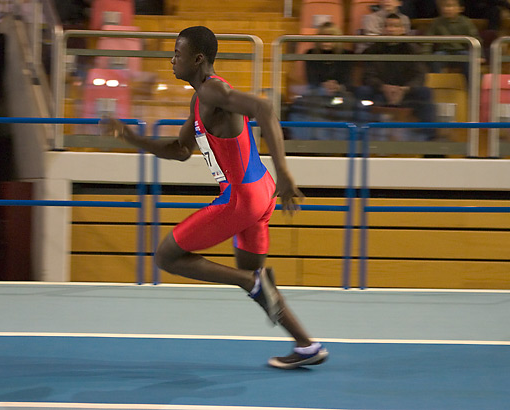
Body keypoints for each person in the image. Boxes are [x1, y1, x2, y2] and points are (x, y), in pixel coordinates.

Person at [100, 26, 328, 369]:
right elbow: (180, 150)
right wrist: (130, 137)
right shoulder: (200, 99)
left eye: (177, 54)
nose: (171, 60)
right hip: (259, 194)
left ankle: (251, 282)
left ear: (197, 59)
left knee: (166, 256)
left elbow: (264, 108)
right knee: (257, 283)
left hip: (242, 198)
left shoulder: (213, 90)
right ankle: (306, 345)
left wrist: (284, 172)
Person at [356, 14, 436, 140]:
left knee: (425, 92)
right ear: (382, 29)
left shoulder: (413, 49)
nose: (391, 29)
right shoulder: (373, 50)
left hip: (406, 94)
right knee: (362, 91)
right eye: (387, 26)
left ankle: (430, 139)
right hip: (380, 92)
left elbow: (420, 75)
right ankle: (359, 137)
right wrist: (383, 87)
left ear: (403, 29)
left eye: (395, 26)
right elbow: (368, 76)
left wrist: (405, 89)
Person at [287, 21, 356, 140]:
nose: (326, 41)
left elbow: (347, 79)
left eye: (330, 37)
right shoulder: (310, 54)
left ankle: (343, 139)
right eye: (323, 37)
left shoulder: (347, 54)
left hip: (340, 92)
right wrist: (324, 86)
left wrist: (337, 87)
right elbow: (311, 79)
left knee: (350, 101)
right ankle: (316, 139)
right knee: (309, 101)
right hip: (318, 90)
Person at [424, 0, 482, 79]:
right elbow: (428, 41)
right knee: (435, 59)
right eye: (444, 6)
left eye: (451, 6)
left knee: (470, 59)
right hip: (443, 52)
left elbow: (475, 39)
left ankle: (471, 85)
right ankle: (437, 84)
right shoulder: (436, 22)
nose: (447, 9)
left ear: (460, 9)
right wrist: (425, 55)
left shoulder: (466, 22)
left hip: (461, 51)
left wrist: (479, 55)